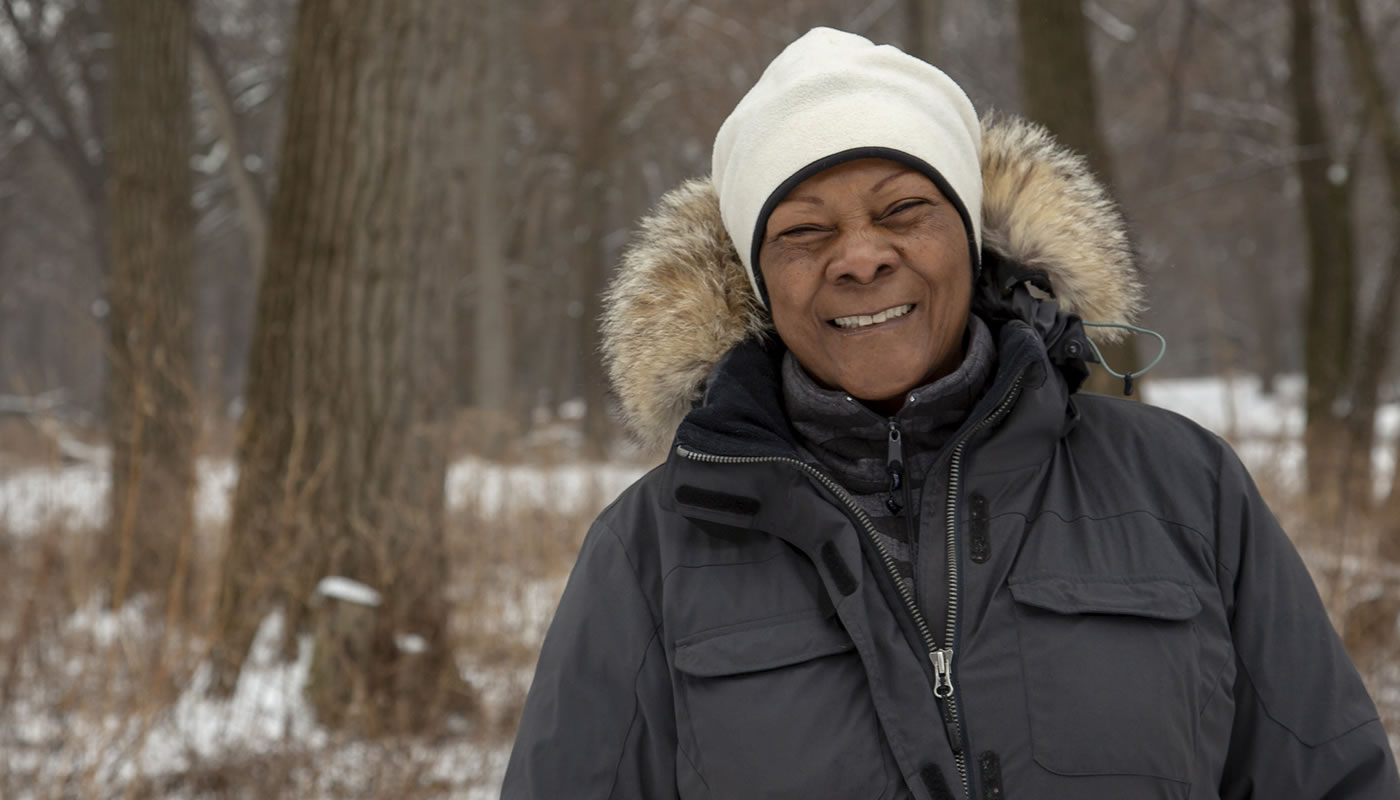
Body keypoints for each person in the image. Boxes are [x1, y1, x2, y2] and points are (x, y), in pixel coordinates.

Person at [501, 27, 1399, 800]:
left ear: (969, 239)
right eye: (804, 232)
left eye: (904, 210)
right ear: (758, 283)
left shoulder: (1183, 489)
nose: (859, 258)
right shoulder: (652, 551)